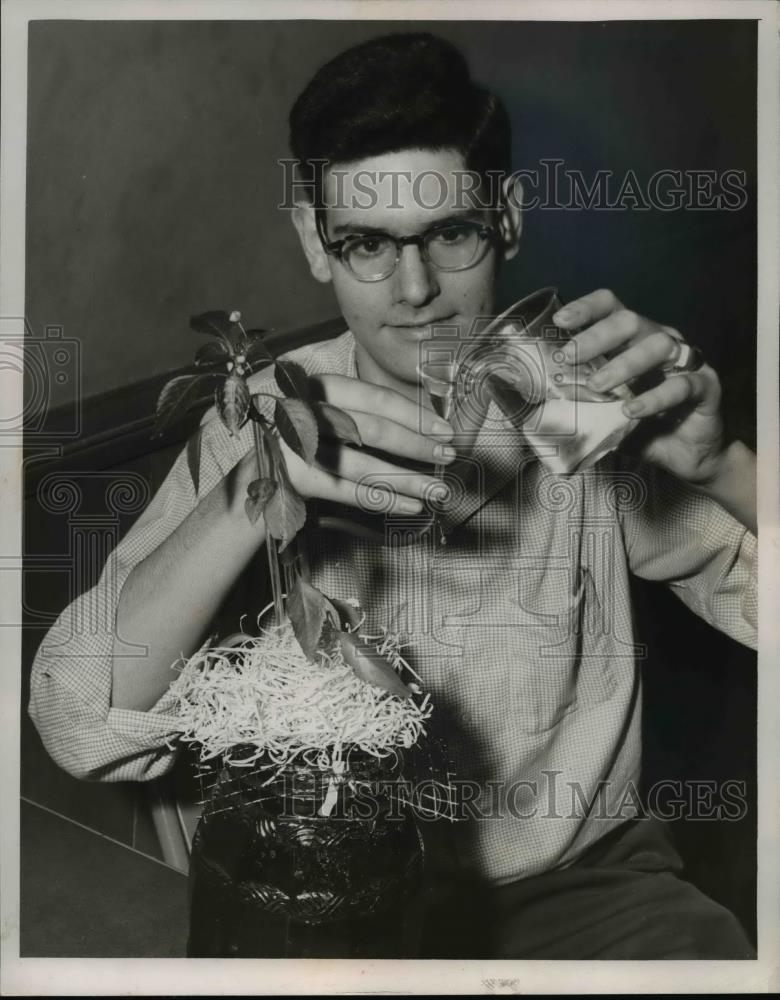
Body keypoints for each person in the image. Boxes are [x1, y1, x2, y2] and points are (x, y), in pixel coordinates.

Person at [29, 32, 757, 958]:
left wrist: (726, 463)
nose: (415, 292)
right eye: (368, 244)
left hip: (575, 886)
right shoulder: (270, 412)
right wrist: (257, 492)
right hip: (332, 899)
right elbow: (74, 722)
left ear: (508, 220)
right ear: (314, 242)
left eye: (450, 233)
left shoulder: (578, 403)